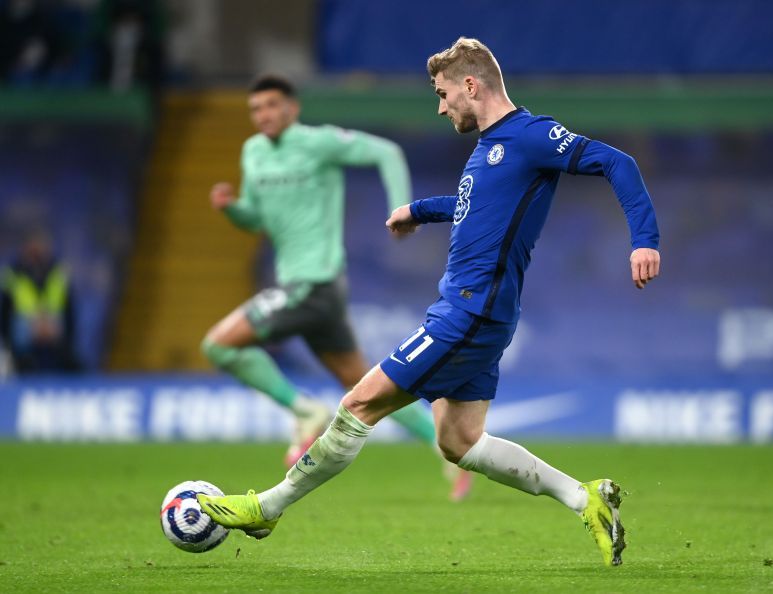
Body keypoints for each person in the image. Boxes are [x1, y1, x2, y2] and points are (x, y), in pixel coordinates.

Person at [198, 39, 661, 567]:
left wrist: (644, 239)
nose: (440, 107)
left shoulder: (531, 135)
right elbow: (475, 206)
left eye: (443, 95)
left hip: (469, 312)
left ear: (471, 86)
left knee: (357, 405)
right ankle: (585, 499)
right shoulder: (489, 148)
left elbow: (615, 161)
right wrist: (419, 210)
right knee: (460, 442)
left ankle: (267, 507)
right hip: (479, 313)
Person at [201, 74, 472, 500]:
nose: (264, 115)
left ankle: (304, 410)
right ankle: (447, 447)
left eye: (272, 106)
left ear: (292, 108)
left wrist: (403, 209)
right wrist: (233, 210)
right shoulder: (252, 153)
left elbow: (387, 152)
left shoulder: (318, 142)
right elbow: (256, 218)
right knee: (372, 389)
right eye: (256, 109)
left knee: (219, 345)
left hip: (315, 284)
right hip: (306, 289)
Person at [0, 230, 81, 374]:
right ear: (25, 248)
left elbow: (69, 310)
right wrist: (8, 343)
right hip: (25, 325)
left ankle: (68, 369)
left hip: (53, 324)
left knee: (59, 330)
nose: (37, 252)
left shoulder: (58, 271)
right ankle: (21, 364)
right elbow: (6, 311)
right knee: (21, 328)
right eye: (33, 247)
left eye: (41, 247)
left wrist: (59, 332)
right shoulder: (12, 273)